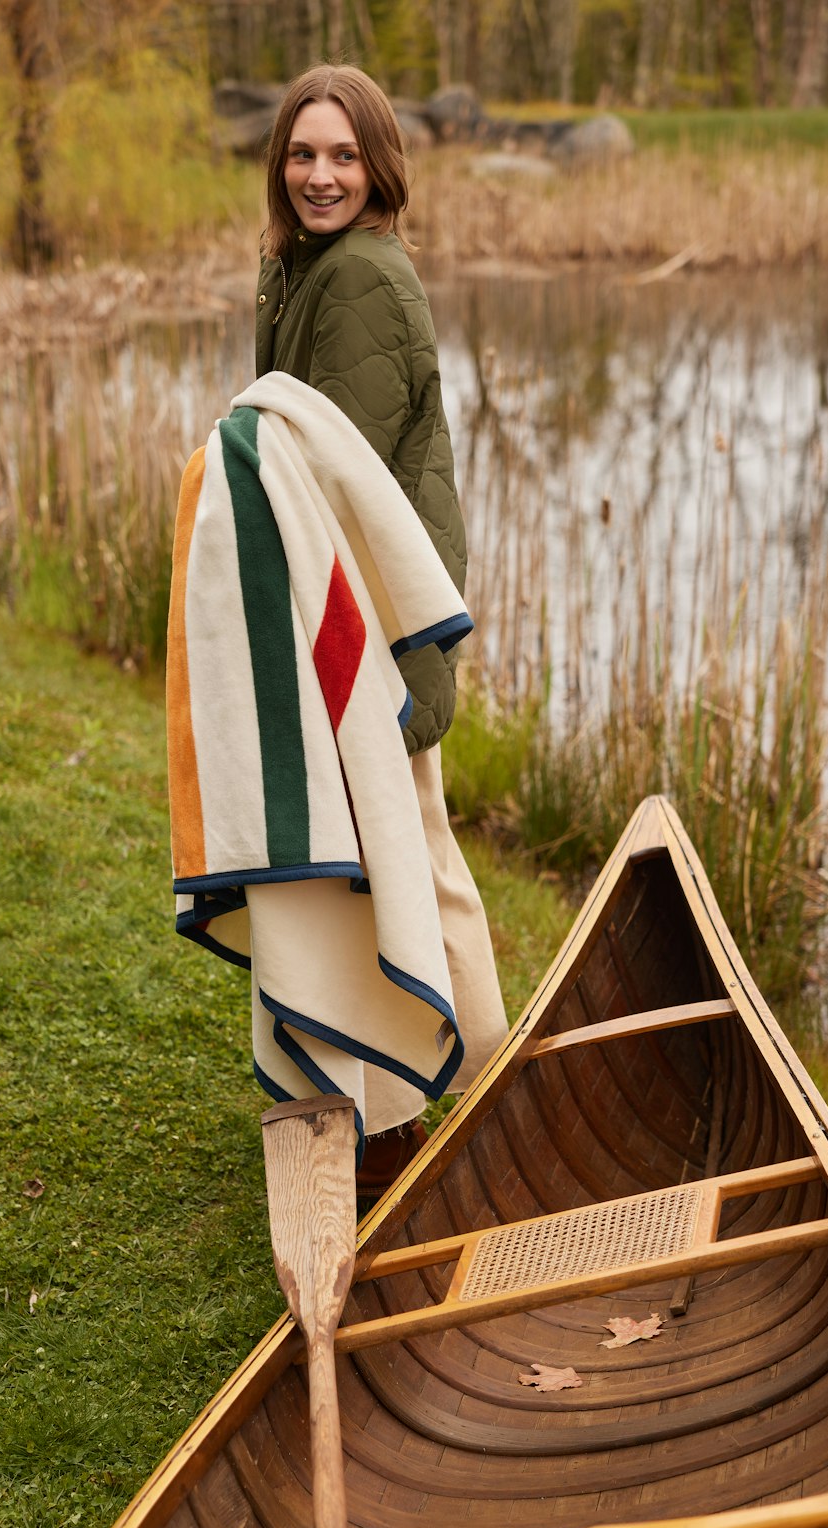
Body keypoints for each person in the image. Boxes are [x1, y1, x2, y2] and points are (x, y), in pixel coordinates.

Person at [255, 63, 507, 1191]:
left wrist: (326, 662)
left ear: (378, 165)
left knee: (402, 869)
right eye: (303, 154)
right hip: (375, 627)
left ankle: (441, 1096)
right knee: (413, 856)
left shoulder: (353, 277)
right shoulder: (313, 264)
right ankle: (451, 1089)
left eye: (342, 155)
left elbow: (338, 496)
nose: (320, 174)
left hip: (373, 636)